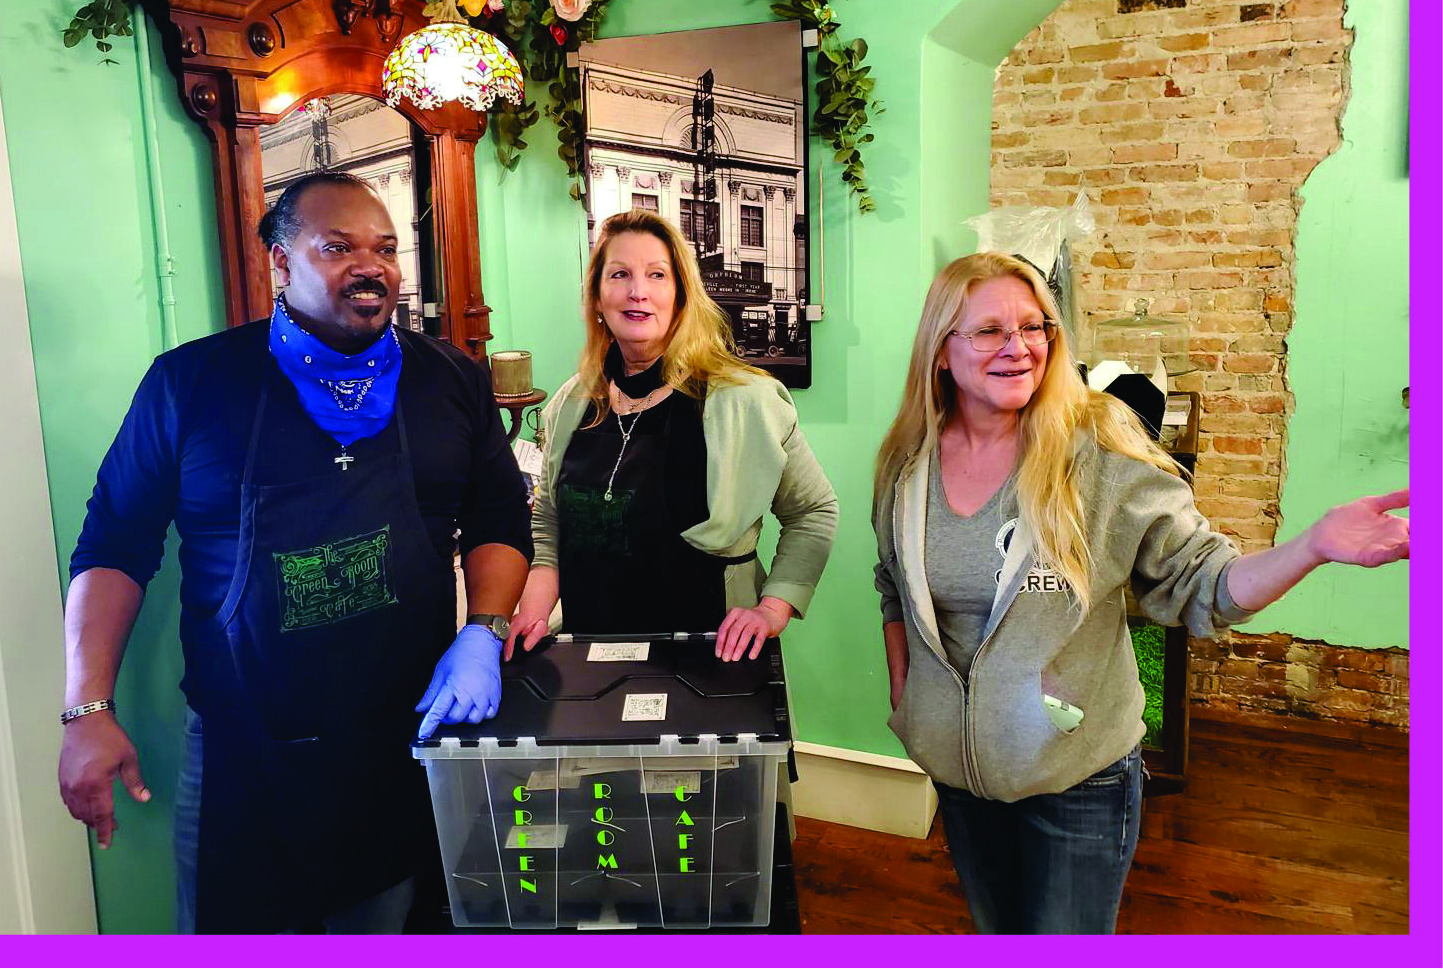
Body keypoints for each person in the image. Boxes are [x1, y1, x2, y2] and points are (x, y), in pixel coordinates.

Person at [871, 251, 1409, 935]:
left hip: (1079, 782)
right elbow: (892, 583)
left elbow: (1205, 584)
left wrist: (1313, 546)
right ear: (941, 352)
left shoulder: (1101, 450)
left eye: (1036, 327)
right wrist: (908, 698)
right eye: (989, 331)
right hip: (960, 777)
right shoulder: (906, 462)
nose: (1020, 348)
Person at [57, 172, 531, 934]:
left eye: (384, 249)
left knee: (389, 926)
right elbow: (114, 543)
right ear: (280, 263)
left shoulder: (451, 380)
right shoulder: (191, 383)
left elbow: (499, 520)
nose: (369, 266)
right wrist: (87, 710)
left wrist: (485, 628)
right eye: (337, 247)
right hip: (246, 756)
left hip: (399, 740)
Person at [504, 209, 838, 662]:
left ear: (681, 295)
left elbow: (813, 511)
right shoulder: (571, 403)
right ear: (597, 299)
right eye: (620, 274)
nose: (638, 291)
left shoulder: (746, 399)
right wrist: (535, 611)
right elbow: (547, 520)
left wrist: (774, 606)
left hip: (710, 653)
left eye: (657, 275)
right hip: (591, 651)